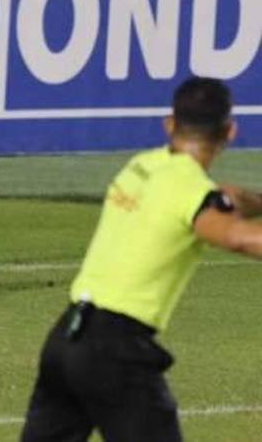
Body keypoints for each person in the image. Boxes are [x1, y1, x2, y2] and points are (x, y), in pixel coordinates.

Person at [20, 77, 262, 442]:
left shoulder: (141, 166)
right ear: (229, 131)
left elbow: (223, 197)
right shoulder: (192, 192)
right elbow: (239, 237)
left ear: (170, 123)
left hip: (66, 340)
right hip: (115, 354)